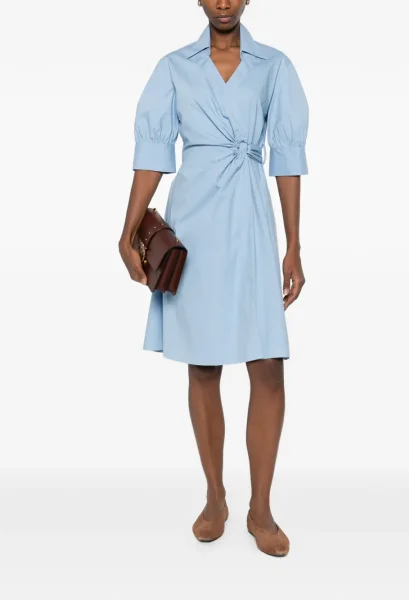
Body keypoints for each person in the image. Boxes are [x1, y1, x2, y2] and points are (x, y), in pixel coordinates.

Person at [119, 0, 309, 557]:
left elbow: (287, 158)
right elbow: (152, 155)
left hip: (250, 222)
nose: (223, 1)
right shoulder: (173, 67)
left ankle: (261, 508)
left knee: (267, 366)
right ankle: (215, 496)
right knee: (203, 365)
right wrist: (128, 231)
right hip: (195, 226)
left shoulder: (275, 67)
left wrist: (294, 245)